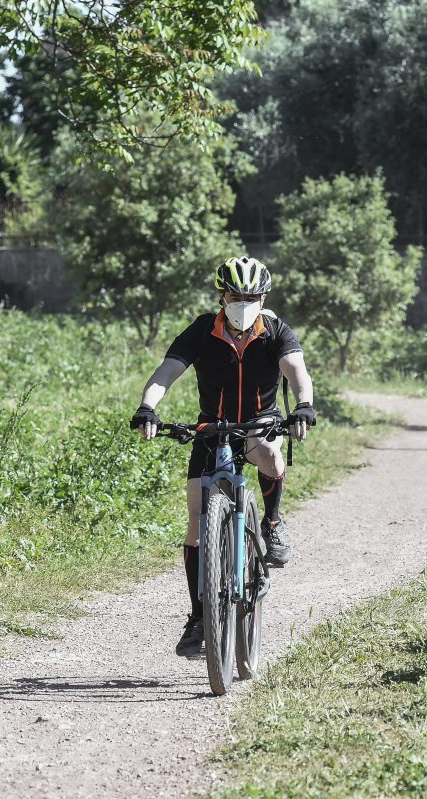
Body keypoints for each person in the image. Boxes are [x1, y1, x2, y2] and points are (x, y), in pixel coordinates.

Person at [131, 256, 316, 658]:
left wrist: (303, 405)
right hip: (211, 429)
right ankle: (199, 617)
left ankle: (271, 523)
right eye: (236, 295)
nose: (243, 302)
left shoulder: (275, 330)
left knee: (268, 452)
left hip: (259, 423)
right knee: (197, 523)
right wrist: (148, 407)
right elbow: (167, 372)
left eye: (252, 296)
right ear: (222, 295)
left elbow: (297, 370)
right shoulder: (202, 330)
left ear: (263, 296)